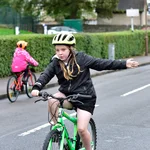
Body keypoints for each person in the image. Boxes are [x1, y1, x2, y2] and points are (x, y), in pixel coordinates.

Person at [31, 33, 139, 150]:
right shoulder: (56, 62)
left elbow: (101, 63)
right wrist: (37, 87)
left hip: (85, 97)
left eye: (63, 49)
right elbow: (45, 75)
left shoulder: (82, 59)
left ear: (71, 49)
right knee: (52, 100)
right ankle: (56, 130)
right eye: (57, 50)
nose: (60, 53)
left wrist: (124, 63)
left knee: (82, 129)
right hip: (67, 95)